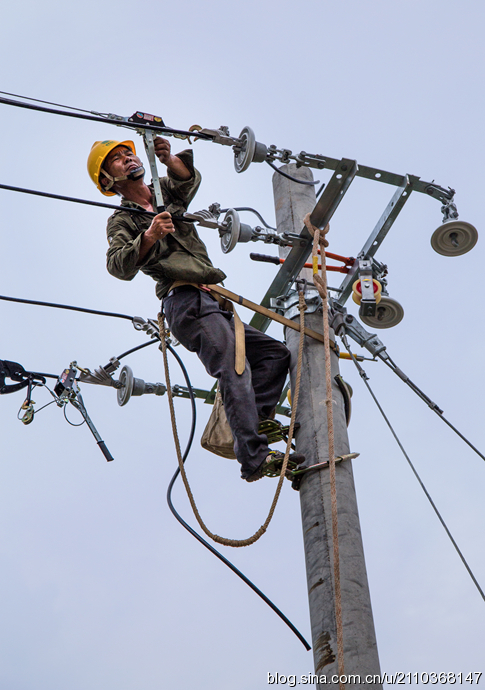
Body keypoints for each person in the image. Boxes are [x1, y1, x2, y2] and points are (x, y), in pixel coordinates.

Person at [87, 137, 303, 481]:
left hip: (214, 301)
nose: (128, 159)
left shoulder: (163, 195)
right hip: (185, 302)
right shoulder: (122, 220)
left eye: (129, 153)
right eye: (117, 160)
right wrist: (149, 236)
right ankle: (254, 459)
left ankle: (255, 419)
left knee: (274, 355)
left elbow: (187, 180)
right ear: (107, 181)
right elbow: (118, 265)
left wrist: (168, 157)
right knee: (234, 369)